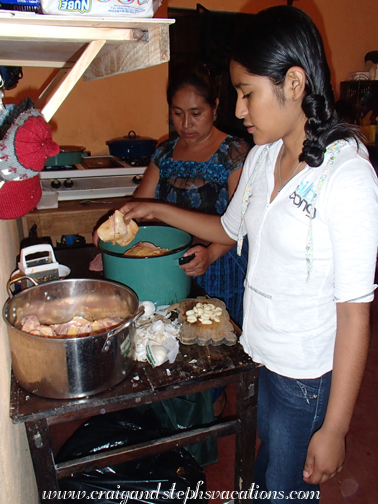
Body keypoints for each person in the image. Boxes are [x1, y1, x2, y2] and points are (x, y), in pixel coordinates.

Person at [118, 6, 378, 502]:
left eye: (247, 94)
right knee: (269, 465)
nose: (239, 111)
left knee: (286, 487)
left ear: (295, 82)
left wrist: (337, 427)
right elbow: (228, 228)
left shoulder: (347, 177)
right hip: (260, 354)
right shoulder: (262, 157)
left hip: (306, 373)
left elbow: (354, 313)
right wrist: (154, 210)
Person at [131, 63, 251, 329]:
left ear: (215, 107)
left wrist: (210, 254)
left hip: (220, 264)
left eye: (196, 113)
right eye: (177, 113)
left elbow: (241, 224)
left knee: (217, 336)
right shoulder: (164, 152)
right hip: (169, 265)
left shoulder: (235, 152)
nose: (186, 124)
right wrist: (114, 237)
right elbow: (140, 205)